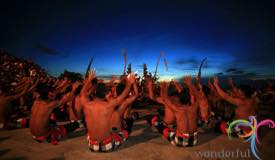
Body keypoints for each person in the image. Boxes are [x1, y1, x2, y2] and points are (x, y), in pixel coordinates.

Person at [81, 70, 136, 152]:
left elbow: (83, 92)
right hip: (107, 146)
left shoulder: (86, 104)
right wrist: (129, 83)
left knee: (92, 132)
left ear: (95, 92)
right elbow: (123, 95)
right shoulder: (108, 106)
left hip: (92, 146)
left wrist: (89, 80)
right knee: (125, 131)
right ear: (106, 94)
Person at [149, 76, 199, 147]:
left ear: (179, 98)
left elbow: (165, 98)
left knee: (159, 125)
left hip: (180, 141)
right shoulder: (194, 107)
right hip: (194, 140)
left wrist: (163, 87)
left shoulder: (177, 108)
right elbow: (195, 95)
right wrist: (190, 84)